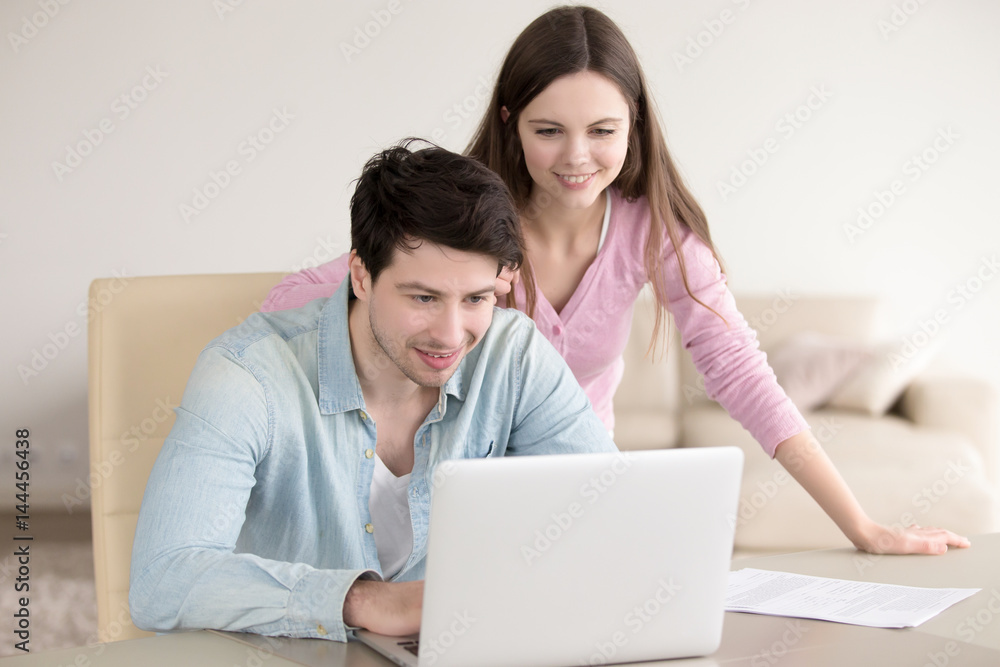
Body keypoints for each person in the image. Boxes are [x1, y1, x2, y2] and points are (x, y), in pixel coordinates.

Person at [261, 6, 969, 556]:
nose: (576, 157)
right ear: (509, 123)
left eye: (603, 130)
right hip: (458, 493)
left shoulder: (651, 230)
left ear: (634, 124)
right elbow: (296, 299)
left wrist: (863, 526)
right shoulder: (466, 223)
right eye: (548, 131)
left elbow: (744, 376)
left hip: (578, 492)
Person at [129, 141, 616, 642]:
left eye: (476, 298)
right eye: (424, 297)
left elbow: (613, 516)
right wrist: (359, 600)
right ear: (361, 275)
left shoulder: (513, 356)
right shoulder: (247, 377)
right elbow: (162, 579)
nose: (451, 335)